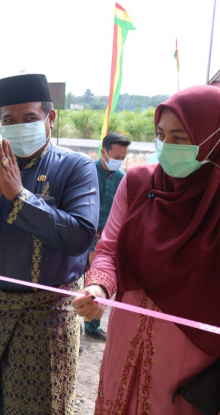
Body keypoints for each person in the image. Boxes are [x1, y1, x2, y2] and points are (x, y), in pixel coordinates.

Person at [74, 85, 220, 415]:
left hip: (187, 374)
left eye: (181, 137)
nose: (168, 148)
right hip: (122, 353)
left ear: (217, 138)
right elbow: (109, 249)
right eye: (162, 135)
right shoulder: (139, 184)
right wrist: (99, 289)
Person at [0, 74, 99, 415]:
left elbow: (79, 235)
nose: (18, 127)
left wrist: (19, 196)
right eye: (9, 120)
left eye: (29, 118)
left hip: (45, 322)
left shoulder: (76, 167)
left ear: (50, 119)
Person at [84, 132, 131, 342]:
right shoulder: (87, 172)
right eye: (116, 156)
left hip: (109, 237)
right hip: (86, 233)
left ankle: (92, 326)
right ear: (103, 152)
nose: (118, 161)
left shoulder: (123, 178)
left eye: (122, 158)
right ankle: (85, 324)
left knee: (98, 280)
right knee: (87, 279)